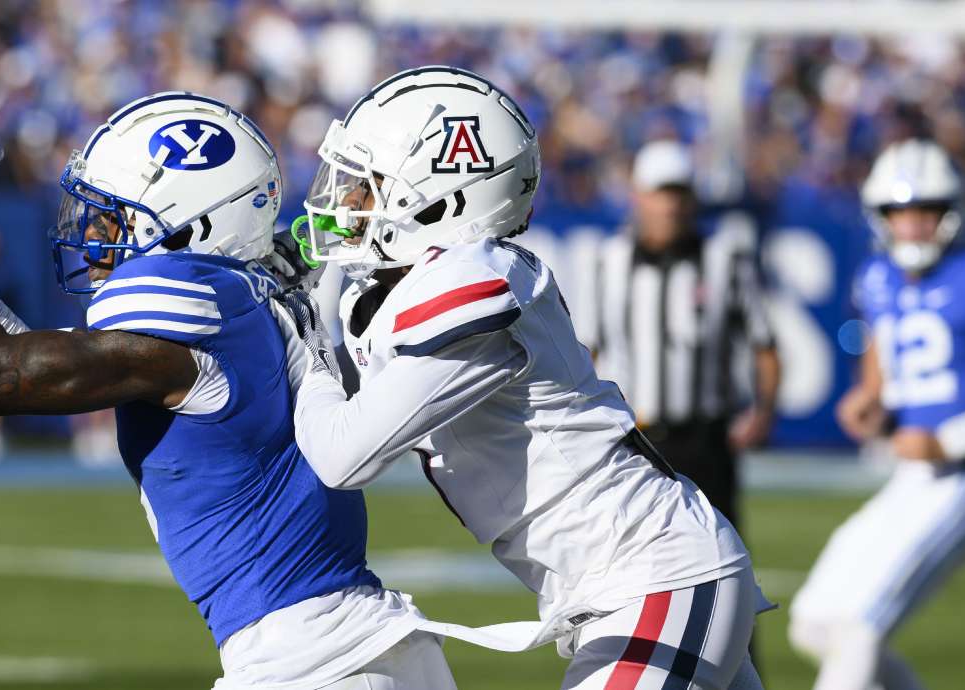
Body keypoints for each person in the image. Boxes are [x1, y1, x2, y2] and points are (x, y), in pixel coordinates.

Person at [0, 87, 455, 689]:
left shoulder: (194, 308)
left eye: (112, 216)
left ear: (185, 229)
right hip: (357, 651)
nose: (94, 235)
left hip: (313, 663)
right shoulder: (238, 301)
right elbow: (10, 358)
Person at [277, 66, 767, 690]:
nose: (344, 203)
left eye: (367, 187)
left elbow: (342, 455)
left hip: (656, 578)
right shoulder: (401, 288)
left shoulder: (473, 281)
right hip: (625, 587)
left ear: (439, 197)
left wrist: (304, 346)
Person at [788, 139, 965, 690]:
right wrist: (868, 401)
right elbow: (880, 372)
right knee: (813, 625)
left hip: (957, 478)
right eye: (900, 212)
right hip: (912, 475)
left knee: (858, 628)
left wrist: (947, 442)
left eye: (924, 211)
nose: (911, 225)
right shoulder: (877, 277)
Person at [584, 139, 781, 531]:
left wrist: (763, 412)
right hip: (635, 439)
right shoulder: (611, 260)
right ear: (637, 197)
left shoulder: (725, 257)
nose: (670, 205)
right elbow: (587, 348)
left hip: (707, 439)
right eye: (661, 193)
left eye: (679, 193)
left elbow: (764, 342)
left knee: (723, 554)